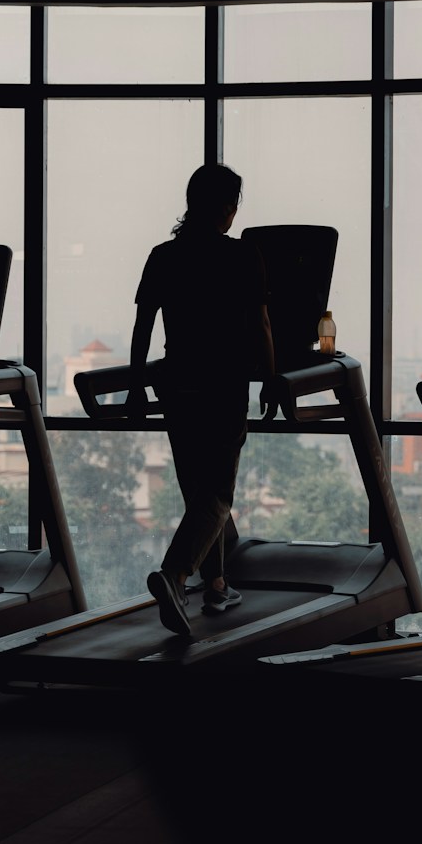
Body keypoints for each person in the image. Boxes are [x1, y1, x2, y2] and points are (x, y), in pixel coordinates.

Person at [130, 163, 275, 637]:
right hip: (223, 384)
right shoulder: (244, 255)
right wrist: (270, 377)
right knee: (217, 493)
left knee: (197, 489)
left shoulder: (162, 255)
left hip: (177, 385)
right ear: (229, 207)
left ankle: (215, 583)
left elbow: (143, 325)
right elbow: (261, 324)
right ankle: (174, 574)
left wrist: (134, 383)